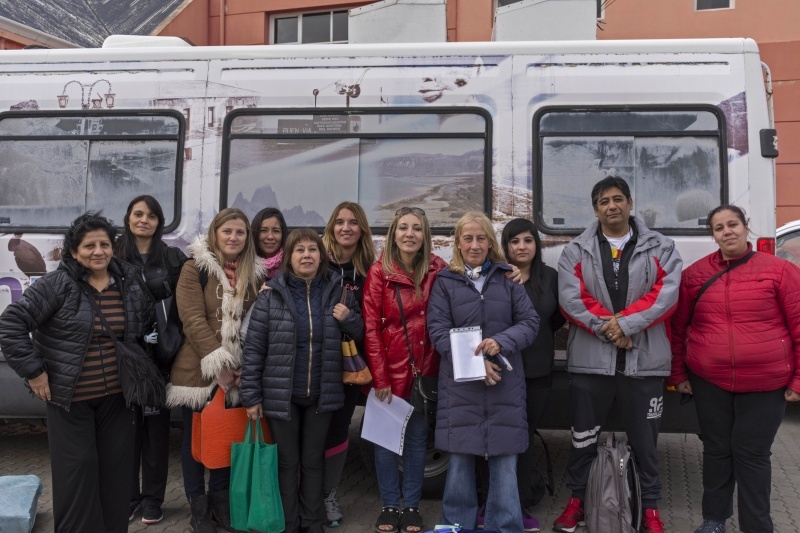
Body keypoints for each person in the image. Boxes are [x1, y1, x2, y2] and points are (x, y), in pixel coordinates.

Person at [0, 212, 154, 532]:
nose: (98, 251)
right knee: (77, 475)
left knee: (115, 477)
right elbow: (11, 323)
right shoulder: (58, 285)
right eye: (89, 246)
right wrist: (33, 371)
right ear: (74, 251)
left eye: (104, 244)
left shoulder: (128, 280)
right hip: (70, 398)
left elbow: (140, 328)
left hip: (117, 398)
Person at [555, 176, 682, 533]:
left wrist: (625, 325)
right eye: (603, 201)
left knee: (646, 444)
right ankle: (577, 502)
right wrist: (610, 328)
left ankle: (650, 510)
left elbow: (666, 294)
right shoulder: (575, 250)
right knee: (582, 440)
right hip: (590, 365)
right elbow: (572, 300)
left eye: (617, 199)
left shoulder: (662, 247)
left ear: (629, 203)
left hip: (644, 363)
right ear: (595, 209)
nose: (612, 206)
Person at [668, 205, 800, 533]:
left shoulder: (780, 271)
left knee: (751, 453)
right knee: (716, 450)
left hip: (765, 383)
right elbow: (677, 329)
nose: (727, 232)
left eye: (732, 225)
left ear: (746, 228)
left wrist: (798, 379)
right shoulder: (694, 275)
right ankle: (714, 520)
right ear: (712, 235)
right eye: (718, 228)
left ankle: (757, 525)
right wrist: (678, 374)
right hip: (710, 381)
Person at [241, 228, 364, 533]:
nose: (306, 255)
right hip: (281, 395)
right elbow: (254, 350)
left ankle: (312, 523)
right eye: (299, 250)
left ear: (321, 257)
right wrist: (251, 397)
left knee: (312, 462)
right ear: (289, 258)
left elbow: (361, 333)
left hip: (322, 394)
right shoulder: (271, 295)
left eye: (312, 250)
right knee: (287, 462)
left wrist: (348, 318)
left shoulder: (339, 291)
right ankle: (289, 523)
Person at [427, 211, 539, 533]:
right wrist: (476, 363)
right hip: (462, 388)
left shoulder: (508, 279)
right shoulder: (445, 282)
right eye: (468, 238)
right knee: (460, 464)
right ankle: (455, 527)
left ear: (490, 242)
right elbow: (438, 331)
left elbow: (530, 323)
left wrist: (500, 342)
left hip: (505, 385)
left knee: (505, 463)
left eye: (481, 238)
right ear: (458, 244)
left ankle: (505, 527)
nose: (475, 245)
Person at [166, 207, 263, 533]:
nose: (233, 237)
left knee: (226, 440)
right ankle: (198, 510)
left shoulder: (254, 274)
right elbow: (191, 320)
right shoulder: (195, 269)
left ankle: (221, 506)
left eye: (240, 232)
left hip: (237, 373)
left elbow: (256, 325)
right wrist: (219, 365)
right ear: (215, 234)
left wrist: (242, 369)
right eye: (227, 231)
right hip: (196, 371)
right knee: (195, 443)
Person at [363, 206, 447, 533]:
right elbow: (371, 328)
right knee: (385, 443)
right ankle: (388, 506)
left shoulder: (438, 270)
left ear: (425, 234)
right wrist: (380, 377)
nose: (409, 234)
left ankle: (410, 507)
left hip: (427, 370)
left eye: (416, 228)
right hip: (390, 372)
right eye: (403, 228)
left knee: (416, 441)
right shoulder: (378, 273)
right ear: (393, 234)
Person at [115, 195, 188, 525]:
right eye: (138, 214)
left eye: (151, 216)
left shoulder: (173, 258)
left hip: (159, 359)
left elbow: (187, 306)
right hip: (124, 360)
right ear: (128, 217)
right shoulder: (112, 256)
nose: (144, 220)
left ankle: (153, 501)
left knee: (156, 436)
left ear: (160, 222)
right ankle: (129, 497)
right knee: (125, 435)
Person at [500, 217, 566, 531]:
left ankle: (521, 501)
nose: (522, 247)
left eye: (528, 240)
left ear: (536, 244)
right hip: (502, 372)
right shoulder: (498, 277)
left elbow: (556, 320)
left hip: (538, 372)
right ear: (507, 246)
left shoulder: (550, 277)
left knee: (525, 438)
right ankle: (502, 499)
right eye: (515, 241)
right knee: (506, 438)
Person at [320, 201, 376, 527]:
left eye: (353, 222)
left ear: (361, 230)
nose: (345, 227)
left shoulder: (370, 271)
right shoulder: (315, 264)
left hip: (351, 367)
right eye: (339, 221)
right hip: (315, 367)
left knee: (339, 432)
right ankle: (306, 494)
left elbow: (370, 327)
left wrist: (350, 319)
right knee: (313, 432)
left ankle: (329, 495)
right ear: (331, 227)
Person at [252, 207, 288, 281]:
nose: (270, 236)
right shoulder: (244, 267)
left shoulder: (292, 265)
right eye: (264, 230)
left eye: (276, 231)